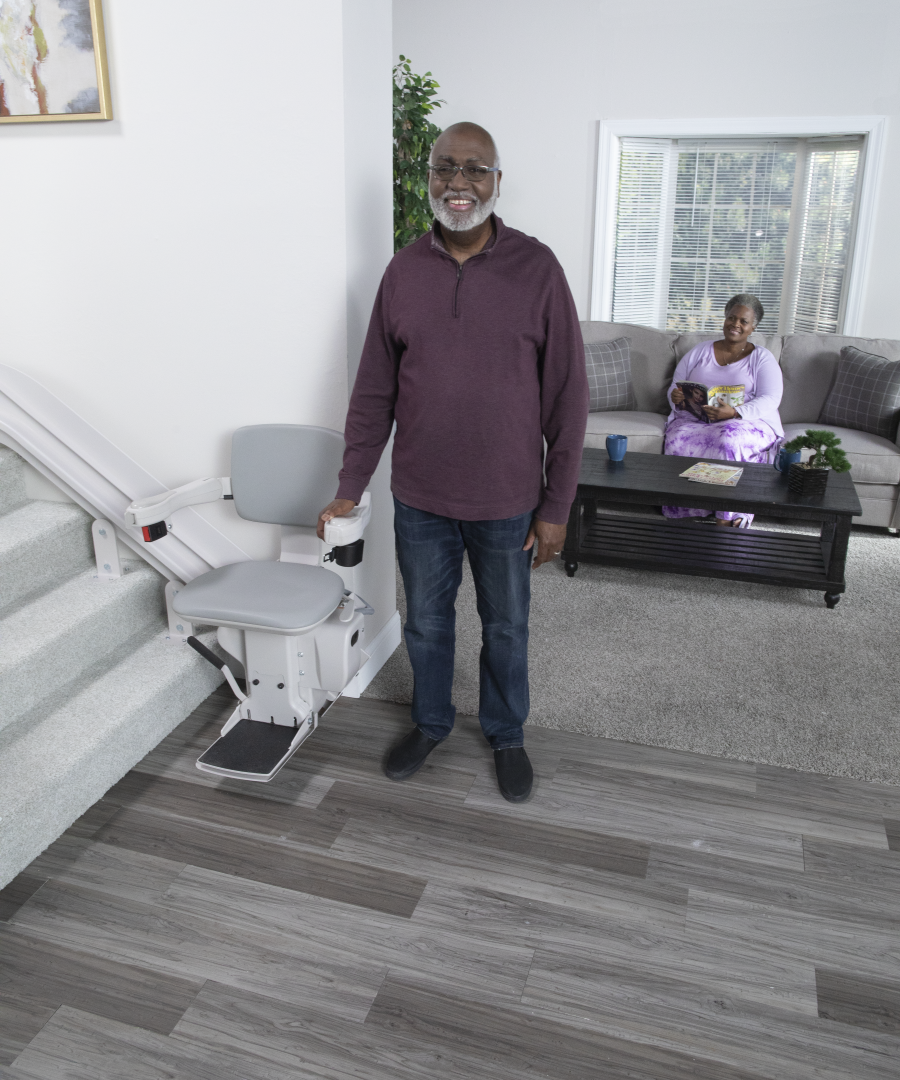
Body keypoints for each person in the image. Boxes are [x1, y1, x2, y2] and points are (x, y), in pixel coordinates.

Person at [317, 122, 588, 802]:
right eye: (444, 168)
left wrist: (556, 508)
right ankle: (431, 722)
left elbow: (569, 397)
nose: (457, 183)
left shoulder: (538, 269)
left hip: (507, 501)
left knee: (506, 626)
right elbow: (374, 389)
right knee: (427, 622)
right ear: (428, 177)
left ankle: (506, 733)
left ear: (498, 180)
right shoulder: (403, 272)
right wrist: (350, 486)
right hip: (420, 497)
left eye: (474, 169)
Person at [664, 294, 783, 527]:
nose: (735, 324)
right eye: (731, 317)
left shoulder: (762, 358)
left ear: (753, 327)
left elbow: (771, 398)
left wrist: (735, 413)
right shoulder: (699, 351)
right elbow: (675, 386)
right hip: (696, 419)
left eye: (743, 321)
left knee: (729, 439)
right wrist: (675, 397)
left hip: (745, 421)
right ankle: (688, 511)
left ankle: (727, 518)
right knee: (677, 437)